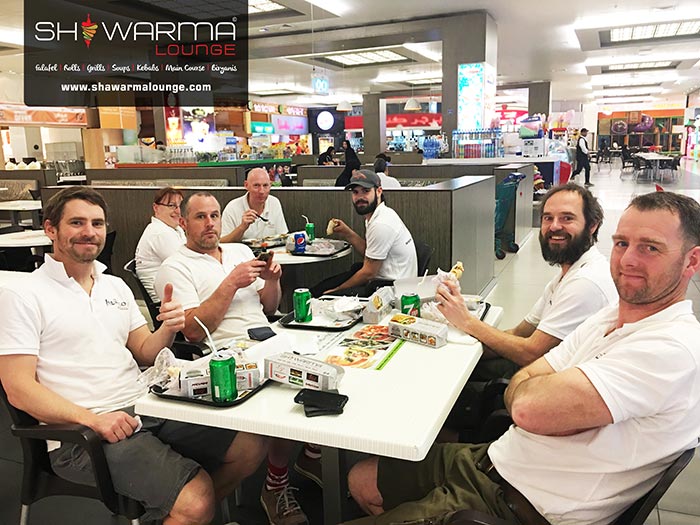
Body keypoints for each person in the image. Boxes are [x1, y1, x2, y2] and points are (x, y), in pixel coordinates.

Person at [347, 190, 700, 525]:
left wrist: (524, 384)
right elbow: (528, 372)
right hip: (498, 458)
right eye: (622, 243)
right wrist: (533, 393)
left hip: (517, 502)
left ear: (692, 260)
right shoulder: (611, 316)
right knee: (362, 477)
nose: (628, 259)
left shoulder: (669, 348)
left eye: (650, 248)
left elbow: (528, 399)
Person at [0, 186, 269, 525]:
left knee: (250, 444)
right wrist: (93, 420)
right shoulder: (24, 294)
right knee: (196, 499)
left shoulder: (114, 286)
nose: (89, 232)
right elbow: (19, 389)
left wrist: (168, 327)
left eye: (97, 223)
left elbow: (145, 351)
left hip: (146, 408)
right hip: (84, 435)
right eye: (77, 223)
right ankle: (191, 510)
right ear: (51, 229)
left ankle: (183, 514)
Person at [155, 192, 308, 525]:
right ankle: (275, 485)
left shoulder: (240, 251)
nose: (210, 223)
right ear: (183, 223)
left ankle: (308, 458)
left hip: (270, 341)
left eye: (215, 215)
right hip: (224, 355)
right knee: (290, 400)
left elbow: (268, 306)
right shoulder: (174, 267)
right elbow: (192, 331)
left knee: (323, 379)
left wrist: (273, 281)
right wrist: (230, 283)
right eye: (200, 217)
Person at [438, 183, 618, 381]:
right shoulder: (566, 275)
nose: (554, 226)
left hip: (558, 383)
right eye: (548, 218)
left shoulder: (585, 283)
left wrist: (466, 321)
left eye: (567, 218)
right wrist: (459, 349)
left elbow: (530, 353)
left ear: (592, 225)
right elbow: (519, 333)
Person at [313, 169, 417, 297]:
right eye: (355, 192)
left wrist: (336, 291)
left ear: (379, 191)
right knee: (321, 287)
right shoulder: (377, 214)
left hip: (390, 289)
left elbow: (369, 273)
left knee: (320, 293)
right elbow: (370, 253)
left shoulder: (381, 224)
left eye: (366, 191)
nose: (360, 197)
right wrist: (347, 232)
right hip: (383, 279)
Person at [135, 186, 186, 302]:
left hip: (175, 289)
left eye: (179, 206)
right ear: (156, 208)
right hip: (166, 300)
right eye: (171, 205)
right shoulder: (160, 233)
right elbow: (185, 265)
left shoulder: (173, 228)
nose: (178, 211)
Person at [220, 167, 288, 243]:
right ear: (246, 185)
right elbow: (222, 242)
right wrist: (242, 228)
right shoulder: (232, 208)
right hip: (242, 250)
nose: (261, 191)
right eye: (256, 185)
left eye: (265, 185)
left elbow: (283, 236)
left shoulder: (274, 203)